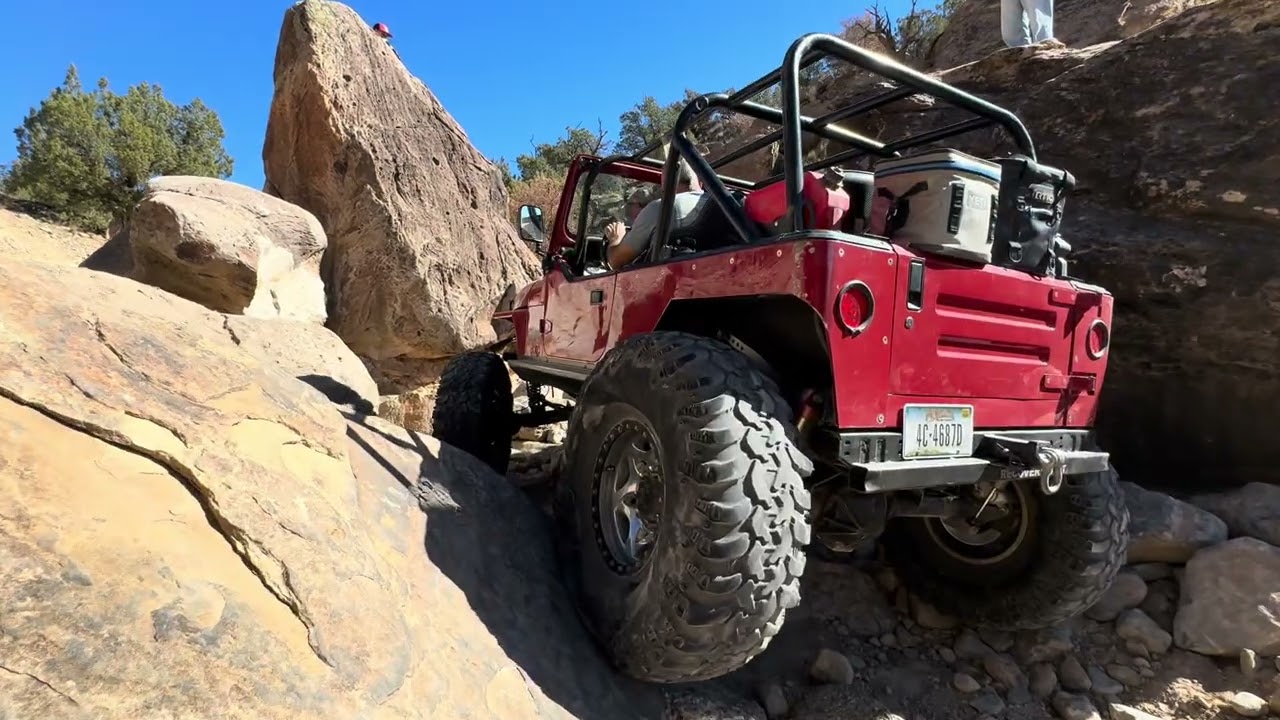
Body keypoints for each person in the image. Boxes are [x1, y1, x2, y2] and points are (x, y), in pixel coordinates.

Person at [603, 159, 706, 270]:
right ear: (700, 182)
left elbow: (616, 261)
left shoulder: (662, 208)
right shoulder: (718, 205)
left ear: (665, 185)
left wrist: (615, 239)